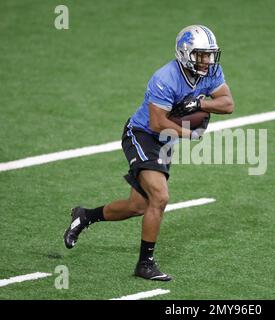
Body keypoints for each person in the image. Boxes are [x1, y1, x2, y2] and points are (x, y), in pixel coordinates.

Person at [63, 25, 234, 281]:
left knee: (138, 206)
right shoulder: (165, 78)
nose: (207, 60)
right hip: (142, 135)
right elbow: (157, 124)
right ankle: (145, 264)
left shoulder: (211, 71)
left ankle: (85, 216)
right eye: (201, 55)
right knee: (160, 196)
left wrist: (200, 102)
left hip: (164, 140)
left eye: (209, 55)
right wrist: (190, 134)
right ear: (186, 53)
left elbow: (228, 104)